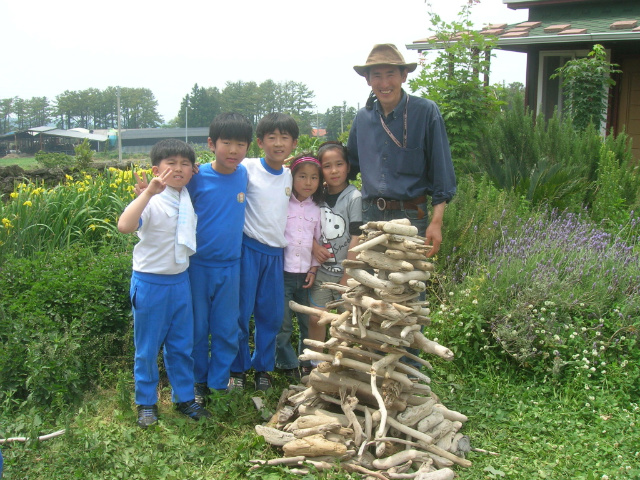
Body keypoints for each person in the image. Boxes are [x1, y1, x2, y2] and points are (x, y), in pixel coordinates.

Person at [118, 138, 212, 428]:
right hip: (150, 284)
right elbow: (125, 225)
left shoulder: (185, 197)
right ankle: (146, 403)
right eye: (171, 163)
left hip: (180, 282)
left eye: (185, 164)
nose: (179, 169)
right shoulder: (153, 201)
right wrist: (147, 192)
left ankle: (184, 398)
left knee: (181, 345)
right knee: (147, 348)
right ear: (157, 169)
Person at [347, 43, 456, 257]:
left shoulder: (425, 112)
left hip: (411, 216)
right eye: (377, 76)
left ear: (404, 75)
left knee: (408, 285)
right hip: (371, 215)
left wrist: (437, 222)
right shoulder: (362, 118)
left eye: (391, 74)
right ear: (368, 80)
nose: (385, 83)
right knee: (372, 284)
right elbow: (349, 165)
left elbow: (441, 170)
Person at [230, 112, 298, 391]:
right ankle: (237, 369)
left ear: (294, 143)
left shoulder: (291, 175)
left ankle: (263, 369)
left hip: (275, 255)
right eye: (272, 137)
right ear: (260, 142)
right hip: (248, 250)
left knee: (269, 316)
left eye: (284, 138)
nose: (278, 143)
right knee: (240, 312)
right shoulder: (246, 167)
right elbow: (218, 171)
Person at [187, 112, 253, 403]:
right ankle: (198, 381)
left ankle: (219, 380)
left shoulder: (243, 174)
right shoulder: (197, 176)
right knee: (198, 328)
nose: (234, 150)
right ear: (211, 144)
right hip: (197, 266)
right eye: (227, 143)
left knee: (227, 327)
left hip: (231, 266)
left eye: (241, 144)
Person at [308, 141, 362, 353]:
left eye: (339, 164)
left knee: (342, 322)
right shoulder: (315, 194)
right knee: (316, 319)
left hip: (344, 274)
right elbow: (301, 226)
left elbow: (357, 236)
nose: (334, 171)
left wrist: (348, 274)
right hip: (320, 272)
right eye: (327, 166)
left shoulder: (353, 197)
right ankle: (316, 362)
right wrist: (313, 246)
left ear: (348, 166)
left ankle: (337, 365)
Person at [275, 154, 323, 381]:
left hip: (306, 275)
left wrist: (314, 269)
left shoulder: (318, 209)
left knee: (307, 321)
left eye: (314, 177)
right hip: (283, 273)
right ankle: (285, 362)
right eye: (302, 176)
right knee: (283, 322)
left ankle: (307, 360)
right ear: (292, 178)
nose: (308, 182)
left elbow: (319, 241)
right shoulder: (282, 203)